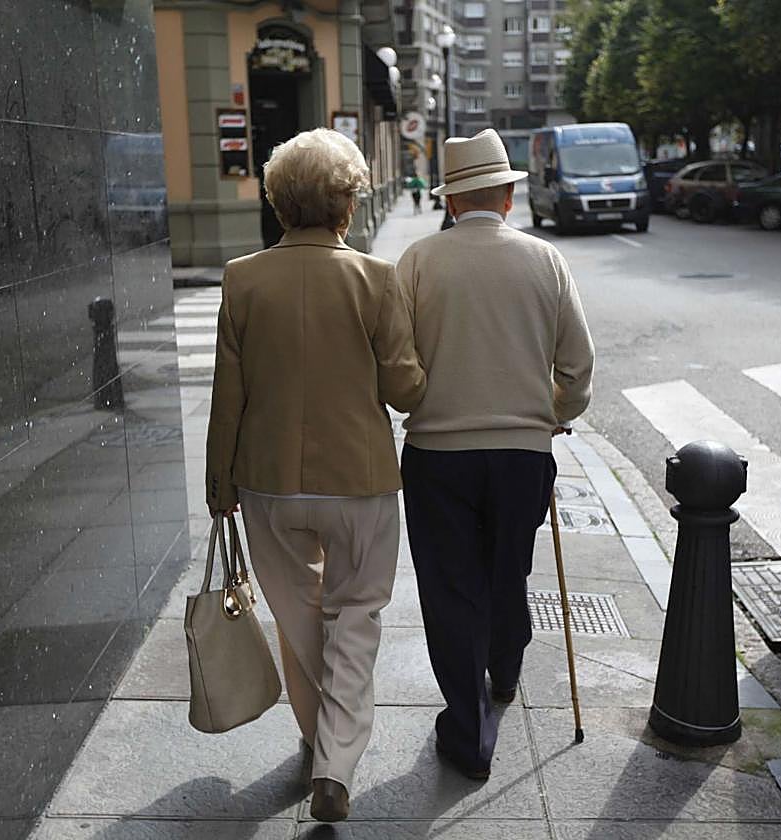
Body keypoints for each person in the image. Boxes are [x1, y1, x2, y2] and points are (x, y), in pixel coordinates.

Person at [205, 128, 427, 822]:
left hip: (267, 479)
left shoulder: (243, 279)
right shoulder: (376, 278)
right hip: (358, 478)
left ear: (278, 205)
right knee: (356, 614)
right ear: (348, 205)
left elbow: (228, 393)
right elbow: (405, 390)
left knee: (299, 614)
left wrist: (220, 485)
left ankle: (314, 735)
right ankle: (335, 761)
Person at [395, 128, 595, 780]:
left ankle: (470, 731)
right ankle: (505, 669)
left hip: (438, 453)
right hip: (522, 454)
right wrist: (550, 415)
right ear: (508, 195)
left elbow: (396, 367)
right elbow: (578, 368)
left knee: (452, 590)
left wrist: (427, 400)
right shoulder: (546, 260)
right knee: (508, 568)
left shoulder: (418, 261)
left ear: (451, 200)